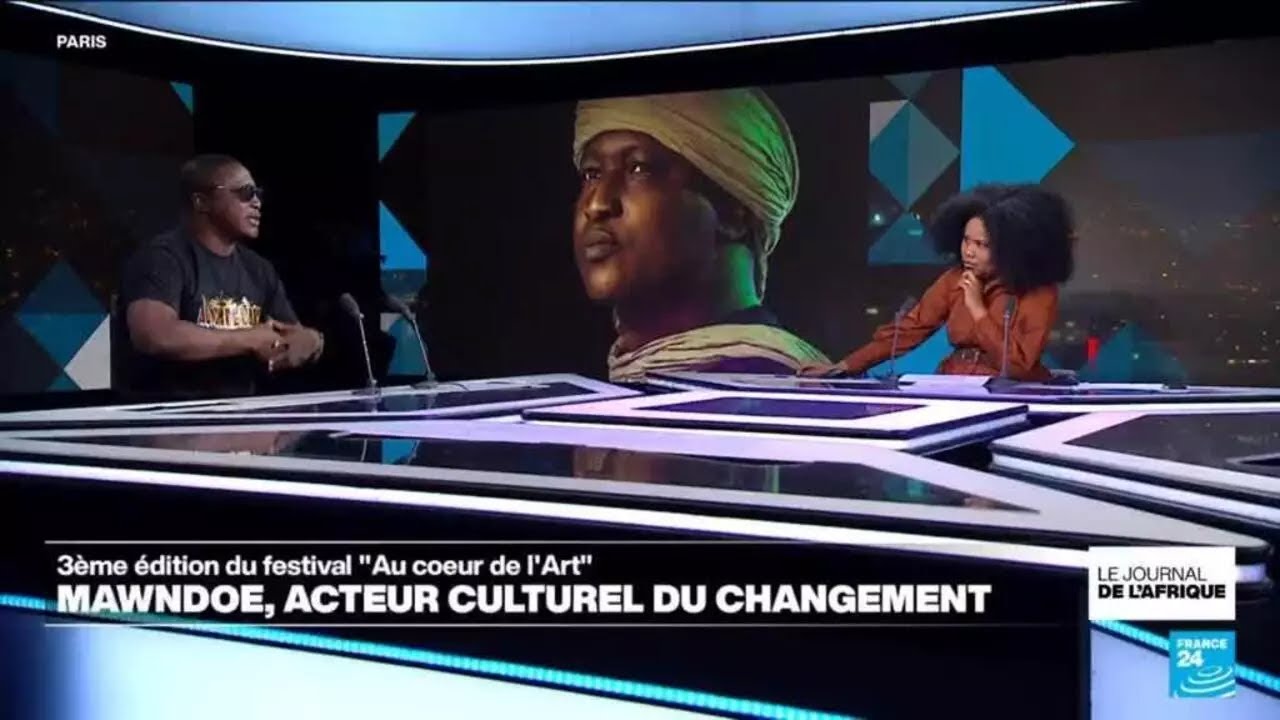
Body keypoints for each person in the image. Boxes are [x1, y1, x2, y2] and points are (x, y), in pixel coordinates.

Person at [571, 88, 829, 382]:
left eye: (638, 168)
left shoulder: (776, 389)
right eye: (591, 174)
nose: (596, 204)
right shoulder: (634, 375)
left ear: (734, 214)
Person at [801, 183, 1075, 381]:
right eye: (966, 240)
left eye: (982, 245)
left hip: (1010, 396)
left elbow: (1018, 365)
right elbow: (909, 330)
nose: (969, 252)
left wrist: (977, 309)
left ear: (1012, 247)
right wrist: (846, 366)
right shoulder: (954, 279)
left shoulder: (1038, 291)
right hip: (952, 387)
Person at [118, 154, 324, 399]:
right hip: (171, 413)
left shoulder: (258, 269)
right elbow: (155, 335)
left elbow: (290, 334)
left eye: (258, 193)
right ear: (201, 202)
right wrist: (249, 339)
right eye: (246, 193)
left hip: (241, 412)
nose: (257, 202)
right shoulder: (163, 258)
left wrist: (312, 341)